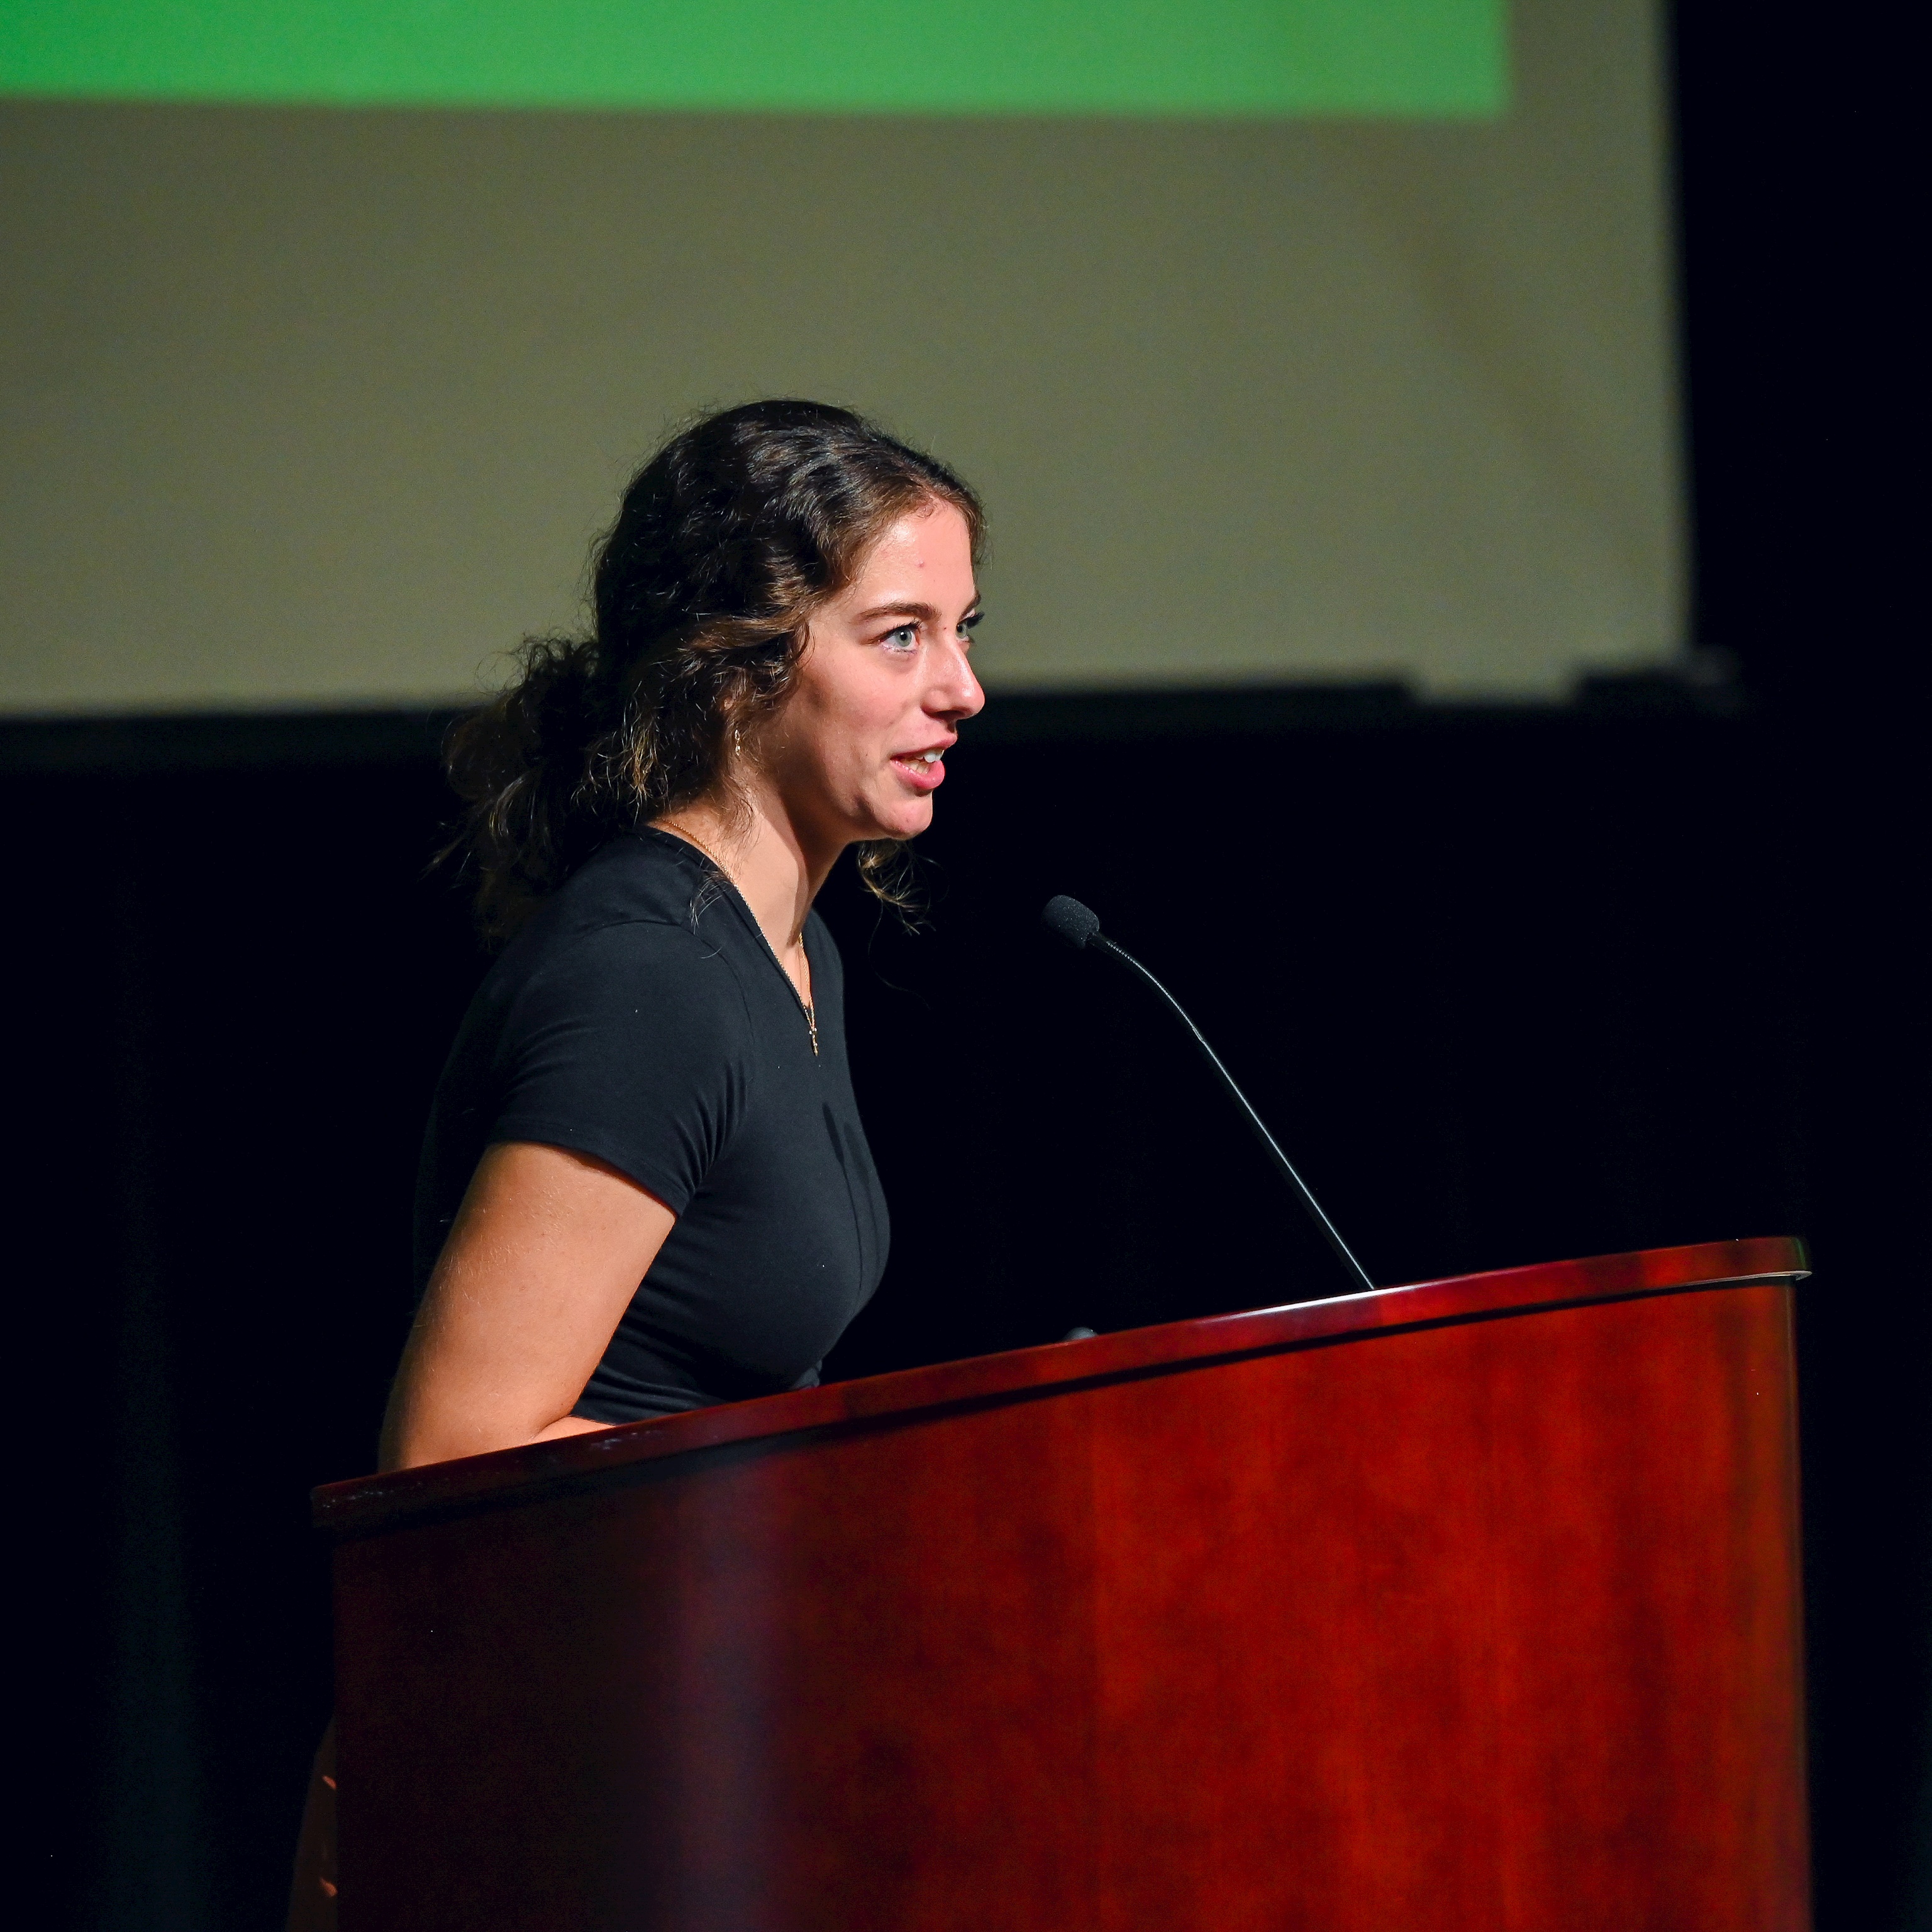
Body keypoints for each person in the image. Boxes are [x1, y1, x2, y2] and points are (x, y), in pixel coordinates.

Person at [286, 399, 985, 1929]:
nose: (965, 689)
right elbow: (455, 1466)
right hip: (521, 1776)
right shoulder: (650, 982)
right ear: (743, 661)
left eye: (964, 631)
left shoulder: (791, 957)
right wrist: (846, 1500)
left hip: (660, 1740)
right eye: (901, 637)